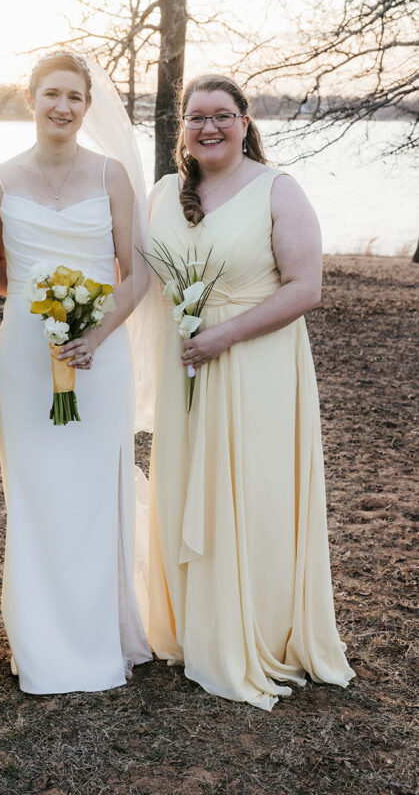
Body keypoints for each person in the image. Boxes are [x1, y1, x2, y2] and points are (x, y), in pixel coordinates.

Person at [147, 74, 354, 710]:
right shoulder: (161, 193)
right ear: (181, 128)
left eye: (221, 115)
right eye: (195, 117)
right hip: (184, 364)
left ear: (244, 121)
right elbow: (134, 276)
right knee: (187, 487)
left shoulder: (277, 189)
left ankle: (255, 631)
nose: (208, 127)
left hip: (256, 363)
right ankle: (195, 627)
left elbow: (304, 287)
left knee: (254, 491)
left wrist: (224, 336)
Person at [0, 51, 151, 694]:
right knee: (33, 490)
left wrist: (94, 331)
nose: (63, 106)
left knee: (90, 490)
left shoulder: (111, 176)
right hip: (24, 358)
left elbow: (136, 271)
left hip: (100, 354)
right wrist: (38, 304)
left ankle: (95, 639)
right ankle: (40, 645)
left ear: (87, 105)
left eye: (74, 97)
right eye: (51, 94)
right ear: (31, 99)